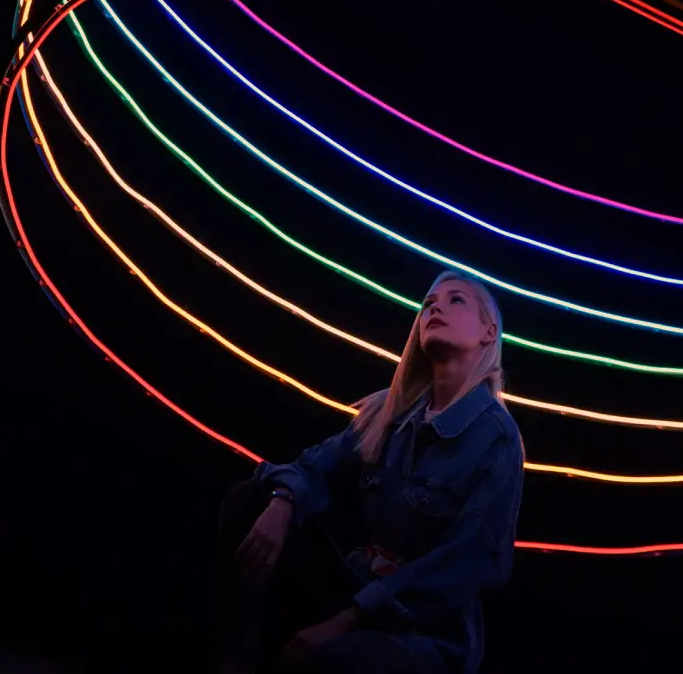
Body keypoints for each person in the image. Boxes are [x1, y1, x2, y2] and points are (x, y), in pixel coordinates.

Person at [215, 271, 526, 673]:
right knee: (250, 502)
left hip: (424, 630)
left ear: (489, 331)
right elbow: (313, 466)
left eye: (456, 300)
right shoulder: (388, 412)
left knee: (339, 661)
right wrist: (283, 500)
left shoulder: (496, 438)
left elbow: (468, 564)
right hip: (354, 583)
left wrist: (346, 620)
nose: (434, 307)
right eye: (428, 303)